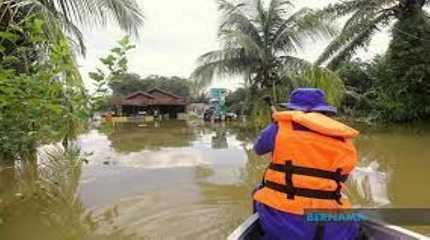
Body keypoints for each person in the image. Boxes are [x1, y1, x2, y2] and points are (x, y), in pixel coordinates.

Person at [253, 88, 360, 240]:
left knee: (258, 191)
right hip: (333, 225)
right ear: (324, 111)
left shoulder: (280, 128)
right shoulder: (343, 138)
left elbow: (258, 149)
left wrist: (275, 128)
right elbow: (342, 177)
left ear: (294, 109)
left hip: (285, 218)